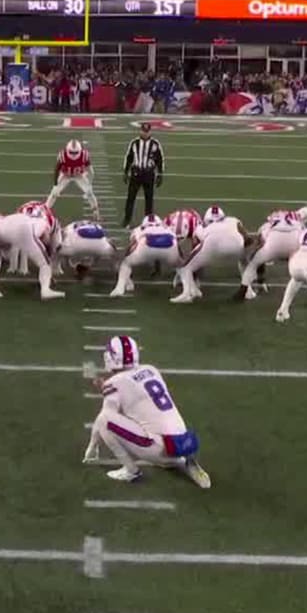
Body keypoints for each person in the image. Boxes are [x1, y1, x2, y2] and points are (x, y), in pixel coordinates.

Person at [83, 335, 210, 488]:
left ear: (111, 357)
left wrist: (92, 447)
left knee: (106, 419)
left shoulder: (115, 384)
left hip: (158, 448)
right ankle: (182, 461)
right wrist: (108, 387)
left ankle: (131, 470)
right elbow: (135, 392)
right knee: (149, 420)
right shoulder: (151, 370)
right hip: (181, 443)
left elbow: (105, 419)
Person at [172, 205, 249, 304]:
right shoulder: (233, 220)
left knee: (185, 268)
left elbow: (197, 245)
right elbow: (247, 238)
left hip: (212, 245)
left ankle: (188, 294)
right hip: (236, 245)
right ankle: (249, 290)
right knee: (243, 261)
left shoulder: (201, 228)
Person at [235, 206, 307, 300]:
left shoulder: (266, 226)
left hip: (274, 244)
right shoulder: (297, 218)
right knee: (304, 266)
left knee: (253, 264)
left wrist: (259, 254)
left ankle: (243, 290)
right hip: (294, 243)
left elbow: (260, 241)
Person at [110, 214, 182, 298]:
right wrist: (181, 262)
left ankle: (120, 288)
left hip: (146, 249)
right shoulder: (168, 228)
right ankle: (190, 285)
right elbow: (177, 246)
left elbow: (132, 245)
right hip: (170, 249)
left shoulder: (138, 229)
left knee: (126, 264)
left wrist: (126, 258)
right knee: (184, 267)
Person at [122, 122, 164, 227]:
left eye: (147, 132)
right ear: (140, 131)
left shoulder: (155, 144)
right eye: (143, 131)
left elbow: (160, 159)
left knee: (149, 199)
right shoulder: (134, 143)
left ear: (150, 132)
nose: (145, 134)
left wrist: (160, 174)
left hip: (149, 174)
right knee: (131, 198)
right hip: (136, 173)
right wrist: (125, 172)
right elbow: (129, 157)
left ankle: (148, 221)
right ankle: (127, 219)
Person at [45, 139, 99, 221]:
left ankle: (96, 212)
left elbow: (91, 171)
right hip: (65, 175)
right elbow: (56, 169)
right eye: (71, 152)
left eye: (75, 152)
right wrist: (55, 184)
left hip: (79, 175)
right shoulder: (63, 155)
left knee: (89, 192)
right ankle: (45, 211)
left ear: (80, 151)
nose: (73, 155)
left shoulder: (84, 155)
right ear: (67, 150)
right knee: (54, 193)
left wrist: (90, 183)